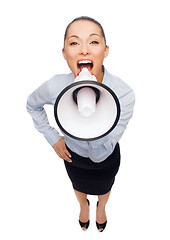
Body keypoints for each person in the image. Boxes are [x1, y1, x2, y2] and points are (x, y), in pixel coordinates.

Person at [26, 16, 135, 232]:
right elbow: (32, 105)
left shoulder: (124, 94)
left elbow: (111, 138)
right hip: (72, 155)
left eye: (93, 42)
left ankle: (101, 207)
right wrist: (53, 138)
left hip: (105, 158)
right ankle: (83, 206)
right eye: (74, 42)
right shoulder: (54, 86)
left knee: (105, 186)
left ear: (106, 50)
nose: (84, 50)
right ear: (65, 53)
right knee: (78, 185)